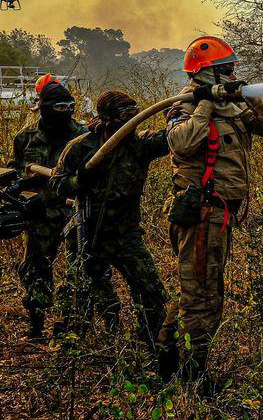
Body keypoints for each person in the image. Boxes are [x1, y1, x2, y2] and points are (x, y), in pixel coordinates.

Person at [162, 36, 263, 393]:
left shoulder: (234, 106)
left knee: (196, 288)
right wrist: (204, 105)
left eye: (233, 68)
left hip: (221, 215)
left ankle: (167, 357)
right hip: (202, 214)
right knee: (204, 296)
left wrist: (248, 94)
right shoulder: (184, 109)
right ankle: (191, 375)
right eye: (226, 69)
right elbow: (181, 143)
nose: (232, 73)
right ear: (206, 74)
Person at [50, 91, 173, 376]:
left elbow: (171, 137)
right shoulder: (81, 147)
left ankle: (159, 351)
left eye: (134, 115)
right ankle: (69, 357)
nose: (130, 122)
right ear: (105, 119)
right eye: (123, 117)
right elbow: (57, 185)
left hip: (126, 234)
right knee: (78, 292)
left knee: (151, 291)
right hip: (89, 232)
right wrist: (79, 178)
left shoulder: (139, 144)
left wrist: (192, 104)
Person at [9, 74, 116, 340]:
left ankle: (81, 330)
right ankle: (36, 328)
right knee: (34, 270)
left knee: (83, 272)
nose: (64, 113)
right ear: (43, 108)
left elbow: (94, 180)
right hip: (39, 218)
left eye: (69, 107)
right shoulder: (26, 138)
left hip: (75, 216)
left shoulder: (84, 138)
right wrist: (20, 193)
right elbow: (16, 172)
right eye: (58, 107)